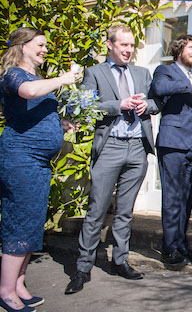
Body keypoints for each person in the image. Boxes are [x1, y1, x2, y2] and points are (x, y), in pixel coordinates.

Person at [65, 25, 160, 295]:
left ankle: (120, 261)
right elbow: (86, 106)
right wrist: (118, 105)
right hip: (109, 147)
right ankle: (83, 268)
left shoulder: (142, 73)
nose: (129, 50)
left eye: (131, 46)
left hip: (137, 148)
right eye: (123, 45)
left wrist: (146, 106)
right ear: (109, 44)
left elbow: (156, 103)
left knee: (125, 211)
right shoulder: (95, 72)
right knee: (97, 210)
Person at [0, 27, 80, 312]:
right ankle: (6, 290)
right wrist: (65, 78)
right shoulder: (14, 75)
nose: (45, 49)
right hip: (20, 159)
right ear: (23, 47)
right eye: (41, 45)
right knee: (19, 221)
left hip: (38, 162)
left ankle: (20, 284)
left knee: (32, 223)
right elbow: (29, 92)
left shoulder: (36, 78)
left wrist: (61, 127)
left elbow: (34, 113)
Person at [149, 35, 192, 267]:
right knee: (173, 196)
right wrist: (191, 83)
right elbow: (158, 89)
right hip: (172, 142)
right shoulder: (165, 71)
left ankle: (181, 244)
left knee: (187, 198)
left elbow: (190, 113)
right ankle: (170, 247)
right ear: (179, 50)